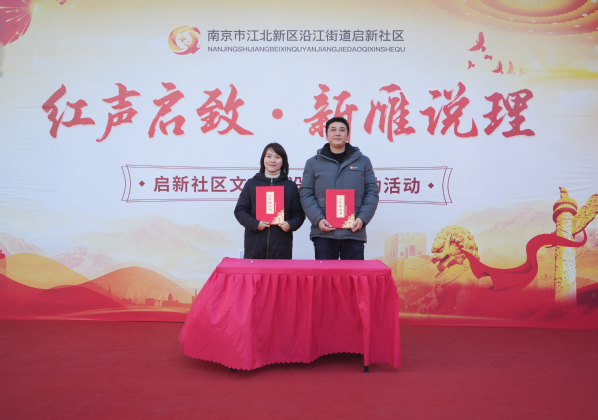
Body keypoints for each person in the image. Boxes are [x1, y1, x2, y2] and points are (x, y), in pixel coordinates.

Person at [300, 117, 379, 260]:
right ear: (326, 135)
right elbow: (306, 193)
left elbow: (371, 192)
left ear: (347, 135)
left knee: (353, 274)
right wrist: (318, 219)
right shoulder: (313, 163)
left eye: (342, 130)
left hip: (354, 231)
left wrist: (362, 218)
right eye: (333, 130)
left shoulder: (363, 161)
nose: (337, 133)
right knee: (325, 274)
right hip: (324, 233)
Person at [234, 143, 305, 259]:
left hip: (281, 247)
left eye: (277, 157)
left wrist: (290, 224)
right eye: (269, 156)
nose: (273, 160)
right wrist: (255, 224)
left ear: (283, 161)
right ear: (263, 160)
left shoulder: (290, 186)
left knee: (280, 271)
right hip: (255, 246)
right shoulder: (251, 184)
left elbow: (299, 214)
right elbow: (240, 211)